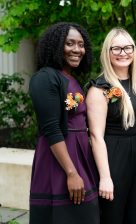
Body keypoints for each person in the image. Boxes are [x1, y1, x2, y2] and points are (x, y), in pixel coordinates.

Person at [29, 22, 100, 224]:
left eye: (81, 44)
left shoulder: (72, 78)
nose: (77, 49)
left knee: (86, 215)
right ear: (56, 45)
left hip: (81, 157)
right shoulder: (45, 78)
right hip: (60, 161)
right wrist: (71, 172)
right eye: (70, 44)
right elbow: (51, 128)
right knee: (65, 217)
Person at [86, 27, 136, 224]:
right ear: (107, 52)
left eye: (128, 47)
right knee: (113, 217)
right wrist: (105, 177)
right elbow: (96, 136)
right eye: (116, 48)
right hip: (114, 157)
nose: (123, 53)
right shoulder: (99, 88)